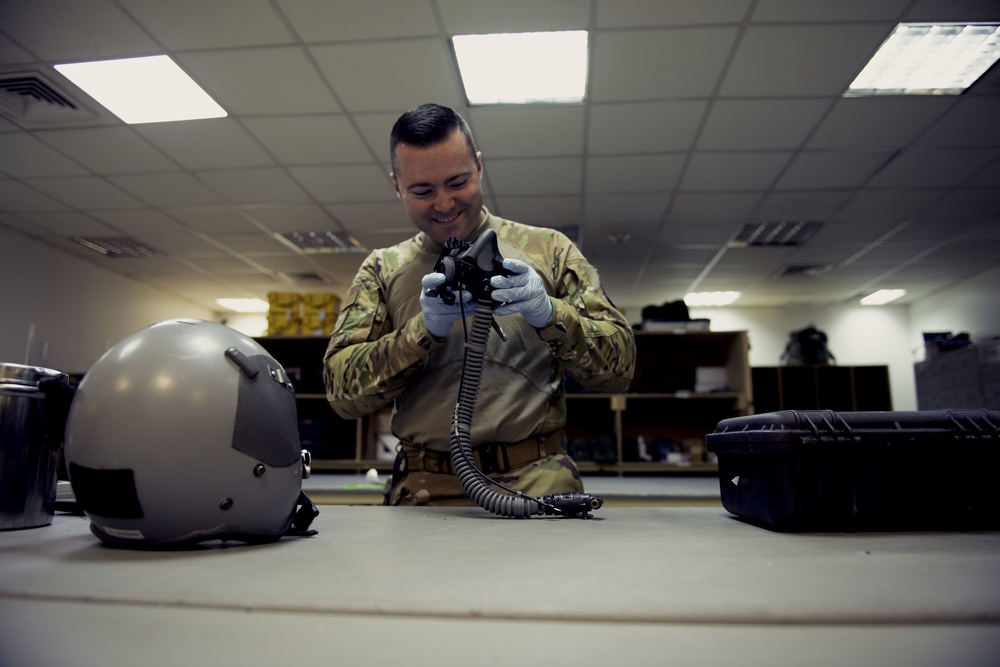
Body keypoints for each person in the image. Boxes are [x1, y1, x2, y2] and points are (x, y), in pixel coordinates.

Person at [323, 103, 635, 506]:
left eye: (457, 182)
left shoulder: (549, 250)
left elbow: (620, 370)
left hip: (536, 485)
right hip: (424, 493)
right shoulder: (383, 269)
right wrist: (423, 331)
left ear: (479, 167)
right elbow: (341, 393)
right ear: (397, 186)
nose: (444, 204)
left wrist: (550, 314)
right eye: (422, 190)